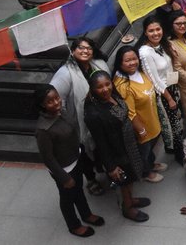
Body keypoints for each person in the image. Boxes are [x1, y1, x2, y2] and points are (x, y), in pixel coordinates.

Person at [35, 85, 103, 238]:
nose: (56, 102)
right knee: (67, 197)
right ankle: (73, 225)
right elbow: (48, 158)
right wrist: (64, 178)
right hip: (64, 168)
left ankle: (86, 214)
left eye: (57, 97)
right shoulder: (43, 130)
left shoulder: (61, 112)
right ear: (42, 105)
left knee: (78, 189)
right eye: (50, 101)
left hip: (75, 159)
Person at [84, 71, 150, 223]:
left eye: (107, 84)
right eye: (100, 87)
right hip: (116, 152)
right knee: (123, 180)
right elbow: (101, 143)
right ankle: (127, 208)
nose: (105, 89)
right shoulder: (93, 113)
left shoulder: (114, 95)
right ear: (93, 89)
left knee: (132, 174)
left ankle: (131, 199)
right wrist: (111, 166)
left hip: (128, 144)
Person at [51, 39, 110, 194]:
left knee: (101, 146)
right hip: (78, 122)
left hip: (100, 116)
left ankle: (104, 169)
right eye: (81, 48)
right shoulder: (65, 73)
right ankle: (91, 180)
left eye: (89, 48)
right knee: (84, 153)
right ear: (73, 50)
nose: (85, 51)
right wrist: (66, 121)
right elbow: (55, 98)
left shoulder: (99, 64)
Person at [112, 46, 164, 183]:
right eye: (127, 60)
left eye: (134, 59)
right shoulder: (123, 85)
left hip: (151, 119)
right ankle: (146, 172)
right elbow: (130, 113)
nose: (132, 63)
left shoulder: (140, 72)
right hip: (141, 126)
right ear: (120, 63)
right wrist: (140, 130)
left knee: (150, 148)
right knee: (143, 151)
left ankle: (152, 164)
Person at [137, 16, 183, 162]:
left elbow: (169, 67)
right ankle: (177, 153)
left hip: (173, 86)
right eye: (151, 31)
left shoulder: (162, 44)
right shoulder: (145, 52)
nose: (156, 33)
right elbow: (154, 79)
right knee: (172, 124)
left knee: (178, 121)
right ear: (145, 33)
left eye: (158, 29)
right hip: (163, 93)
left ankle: (181, 148)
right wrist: (169, 98)